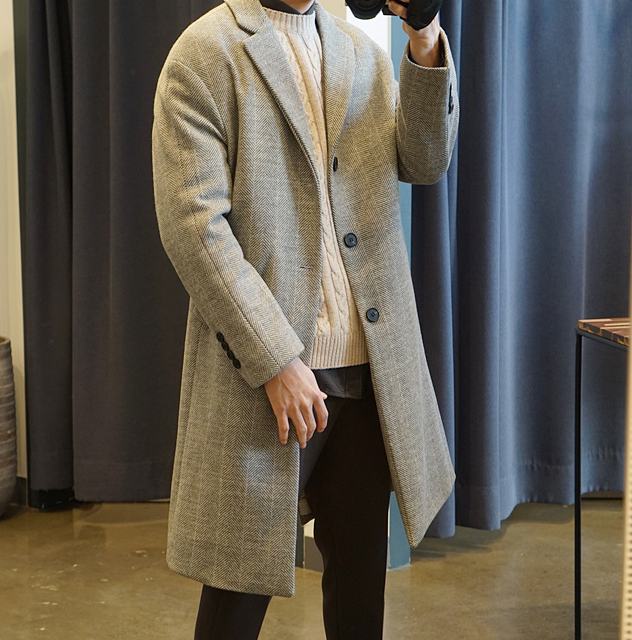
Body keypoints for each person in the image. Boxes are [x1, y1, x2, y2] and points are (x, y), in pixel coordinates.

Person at [151, 0, 459, 636]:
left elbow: (426, 160)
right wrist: (275, 360)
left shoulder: (362, 54)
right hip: (269, 382)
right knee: (235, 598)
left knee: (359, 600)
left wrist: (424, 36)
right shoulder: (205, 54)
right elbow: (195, 229)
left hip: (369, 375)